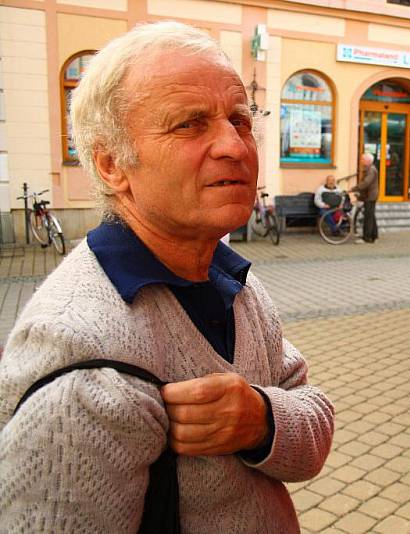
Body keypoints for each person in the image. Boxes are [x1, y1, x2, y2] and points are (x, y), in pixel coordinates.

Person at [0, 22, 334, 533]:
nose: (235, 146)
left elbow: (313, 421)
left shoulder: (233, 279)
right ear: (112, 165)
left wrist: (261, 419)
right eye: (189, 124)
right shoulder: (87, 371)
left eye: (240, 120)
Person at [350, 153, 379, 243]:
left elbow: (366, 183)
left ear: (368, 161)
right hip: (368, 196)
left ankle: (367, 238)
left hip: (370, 196)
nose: (361, 161)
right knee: (371, 216)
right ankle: (374, 235)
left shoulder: (371, 170)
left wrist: (354, 189)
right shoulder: (369, 169)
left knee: (368, 217)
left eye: (363, 159)